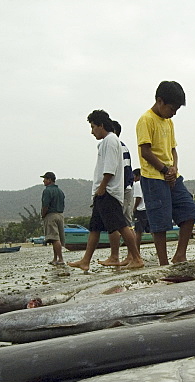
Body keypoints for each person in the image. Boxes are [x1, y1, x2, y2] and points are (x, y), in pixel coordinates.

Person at [68, 110, 143, 272]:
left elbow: (109, 169)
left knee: (121, 225)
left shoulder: (110, 140)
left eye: (93, 127)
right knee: (95, 227)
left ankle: (136, 258)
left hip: (108, 192)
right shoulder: (107, 142)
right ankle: (85, 260)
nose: (92, 131)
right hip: (103, 192)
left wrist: (102, 188)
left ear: (101, 125)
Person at [136, 81, 195, 266]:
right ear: (160, 101)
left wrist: (174, 169)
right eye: (172, 108)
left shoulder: (169, 122)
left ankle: (180, 255)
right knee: (160, 222)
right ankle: (163, 264)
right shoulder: (146, 120)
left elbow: (173, 150)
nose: (174, 113)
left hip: (172, 177)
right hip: (154, 178)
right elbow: (145, 152)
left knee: (190, 212)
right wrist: (164, 170)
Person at [102, 119, 138, 267]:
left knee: (122, 223)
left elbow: (123, 170)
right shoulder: (118, 147)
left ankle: (129, 256)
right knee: (121, 223)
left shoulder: (118, 147)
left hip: (122, 190)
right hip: (122, 188)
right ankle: (121, 256)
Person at [39, 171, 65, 266]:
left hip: (51, 215)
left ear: (49, 180)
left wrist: (43, 214)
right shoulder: (60, 191)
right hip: (60, 215)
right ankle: (55, 259)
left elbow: (45, 205)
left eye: (45, 179)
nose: (43, 181)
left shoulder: (47, 191)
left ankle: (61, 259)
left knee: (54, 238)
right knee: (57, 238)